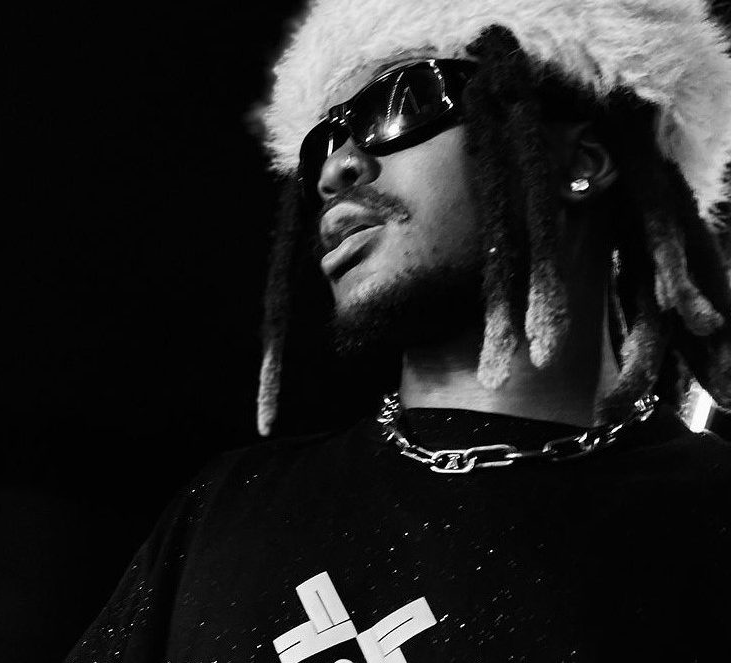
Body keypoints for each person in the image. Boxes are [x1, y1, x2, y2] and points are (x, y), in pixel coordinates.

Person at [67, 0, 731, 660]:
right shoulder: (226, 509)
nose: (335, 169)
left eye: (401, 102)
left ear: (580, 160)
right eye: (321, 144)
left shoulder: (708, 522)